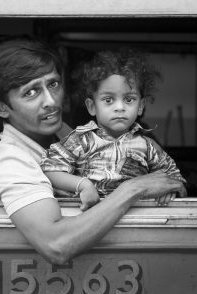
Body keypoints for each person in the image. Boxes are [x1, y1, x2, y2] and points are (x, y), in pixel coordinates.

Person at [0, 37, 187, 265]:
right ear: (1, 107)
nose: (50, 101)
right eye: (31, 93)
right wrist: (135, 188)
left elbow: (169, 180)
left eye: (53, 84)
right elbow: (56, 245)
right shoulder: (10, 160)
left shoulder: (69, 134)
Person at [41, 49, 187, 211]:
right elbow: (50, 171)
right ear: (92, 106)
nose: (119, 107)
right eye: (108, 100)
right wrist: (83, 185)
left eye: (129, 99)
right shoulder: (80, 141)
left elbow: (174, 178)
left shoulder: (147, 145)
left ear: (140, 106)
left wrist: (169, 189)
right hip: (89, 219)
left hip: (138, 219)